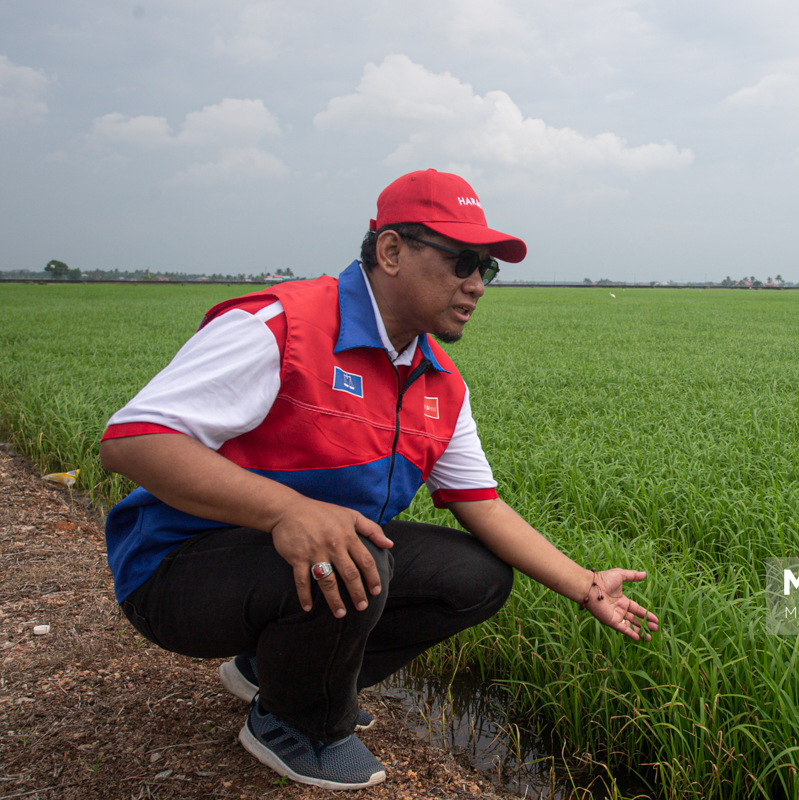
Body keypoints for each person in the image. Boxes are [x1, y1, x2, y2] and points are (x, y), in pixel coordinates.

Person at [99, 168, 659, 791]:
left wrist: (586, 587)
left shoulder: (437, 380)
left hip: (295, 568)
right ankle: (296, 724)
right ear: (391, 251)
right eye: (462, 262)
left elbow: (485, 507)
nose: (476, 284)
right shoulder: (285, 325)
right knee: (351, 548)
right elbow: (134, 441)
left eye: (488, 269)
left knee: (475, 577)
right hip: (174, 571)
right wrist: (287, 511)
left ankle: (275, 675)